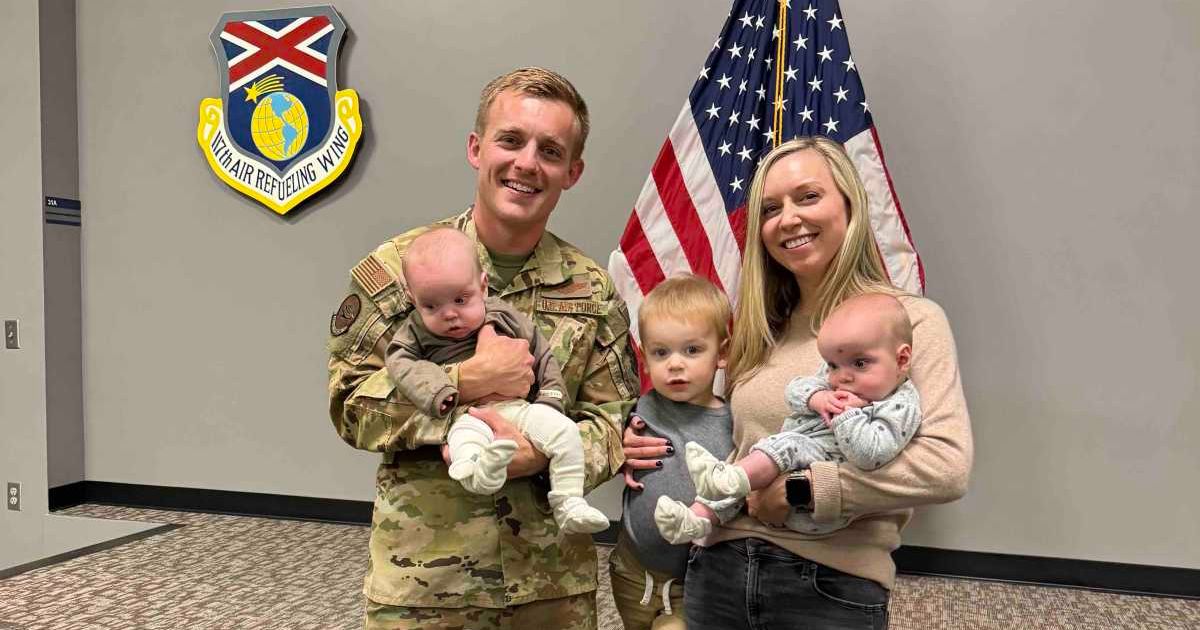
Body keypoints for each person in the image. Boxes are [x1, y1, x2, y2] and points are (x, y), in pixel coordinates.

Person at [327, 67, 638, 630]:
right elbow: (349, 404)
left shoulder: (592, 288)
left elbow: (616, 419)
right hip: (426, 581)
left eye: (550, 150)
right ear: (477, 148)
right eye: (511, 140)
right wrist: (460, 385)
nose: (526, 163)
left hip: (549, 587)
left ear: (573, 171)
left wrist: (542, 453)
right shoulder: (399, 270)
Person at [622, 136, 972, 629]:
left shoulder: (909, 322)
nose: (788, 219)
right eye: (770, 208)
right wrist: (645, 436)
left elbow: (945, 466)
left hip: (826, 581)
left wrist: (804, 490)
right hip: (715, 570)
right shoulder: (758, 331)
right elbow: (727, 434)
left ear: (849, 205)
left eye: (808, 197)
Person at [384, 227, 609, 535]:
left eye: (461, 300)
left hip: (519, 409)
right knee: (464, 445)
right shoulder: (414, 330)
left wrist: (550, 402)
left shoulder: (507, 316)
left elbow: (543, 358)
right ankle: (482, 473)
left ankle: (569, 503)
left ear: (483, 286)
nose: (449, 314)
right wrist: (451, 386)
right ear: (413, 299)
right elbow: (399, 362)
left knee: (565, 433)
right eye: (431, 306)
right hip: (467, 414)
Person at [654, 292, 921, 543]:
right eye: (832, 366)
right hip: (780, 473)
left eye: (861, 364)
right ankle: (696, 520)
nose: (842, 376)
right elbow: (794, 389)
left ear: (901, 359)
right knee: (742, 466)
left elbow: (869, 454)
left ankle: (730, 479)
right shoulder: (839, 375)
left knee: (784, 446)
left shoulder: (900, 405)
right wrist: (817, 397)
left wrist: (847, 414)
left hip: (817, 502)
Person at [608, 275, 738, 630]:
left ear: (722, 353)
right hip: (632, 568)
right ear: (645, 358)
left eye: (692, 350)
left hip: (697, 577)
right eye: (661, 352)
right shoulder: (640, 410)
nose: (675, 364)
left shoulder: (732, 424)